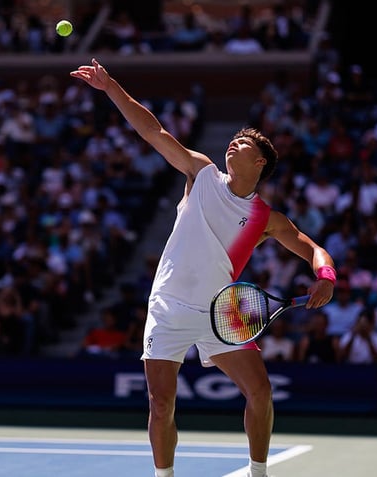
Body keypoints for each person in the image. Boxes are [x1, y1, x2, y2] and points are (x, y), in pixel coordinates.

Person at [70, 58, 336, 477]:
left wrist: (326, 277)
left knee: (261, 392)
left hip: (221, 313)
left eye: (243, 144)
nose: (233, 144)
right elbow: (152, 130)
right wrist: (110, 88)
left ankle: (258, 473)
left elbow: (313, 249)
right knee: (161, 403)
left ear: (261, 163)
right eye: (233, 140)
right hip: (169, 307)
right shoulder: (201, 173)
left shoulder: (266, 218)